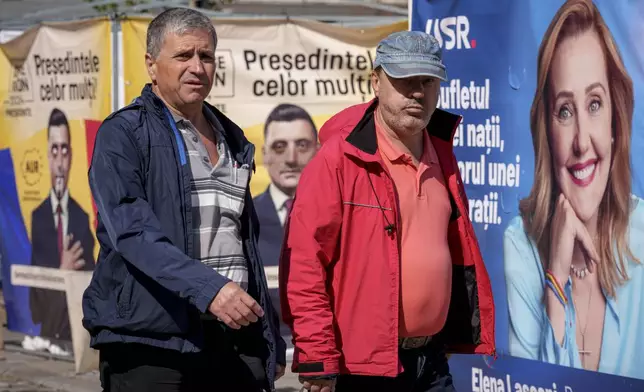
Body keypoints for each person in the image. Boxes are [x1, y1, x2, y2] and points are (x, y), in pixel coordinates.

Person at [279, 30, 496, 392]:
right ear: (376, 82)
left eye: (427, 80)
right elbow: (305, 265)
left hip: (432, 363)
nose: (417, 91)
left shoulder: (442, 156)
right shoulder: (337, 160)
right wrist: (317, 357)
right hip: (362, 368)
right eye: (404, 79)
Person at [82, 8, 285, 392]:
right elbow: (133, 233)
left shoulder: (233, 138)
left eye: (206, 56)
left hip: (231, 338)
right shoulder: (123, 134)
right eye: (183, 56)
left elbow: (243, 247)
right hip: (151, 341)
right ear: (152, 65)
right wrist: (208, 289)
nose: (197, 67)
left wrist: (266, 336)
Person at [503, 0, 644, 380]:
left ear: (616, 121)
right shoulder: (521, 244)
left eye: (595, 104)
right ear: (546, 131)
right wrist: (556, 280)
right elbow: (528, 386)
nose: (582, 141)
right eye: (565, 111)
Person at [28, 107, 95, 355]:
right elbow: (36, 303)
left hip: (74, 338)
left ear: (71, 156)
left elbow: (90, 286)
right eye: (54, 150)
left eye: (64, 150)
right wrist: (63, 273)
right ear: (47, 155)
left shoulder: (81, 218)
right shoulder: (38, 218)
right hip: (46, 337)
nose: (59, 159)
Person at [253, 103, 318, 335]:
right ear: (265, 155)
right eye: (279, 147)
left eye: (302, 145)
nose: (291, 159)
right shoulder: (244, 218)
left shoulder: (342, 215)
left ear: (318, 150)